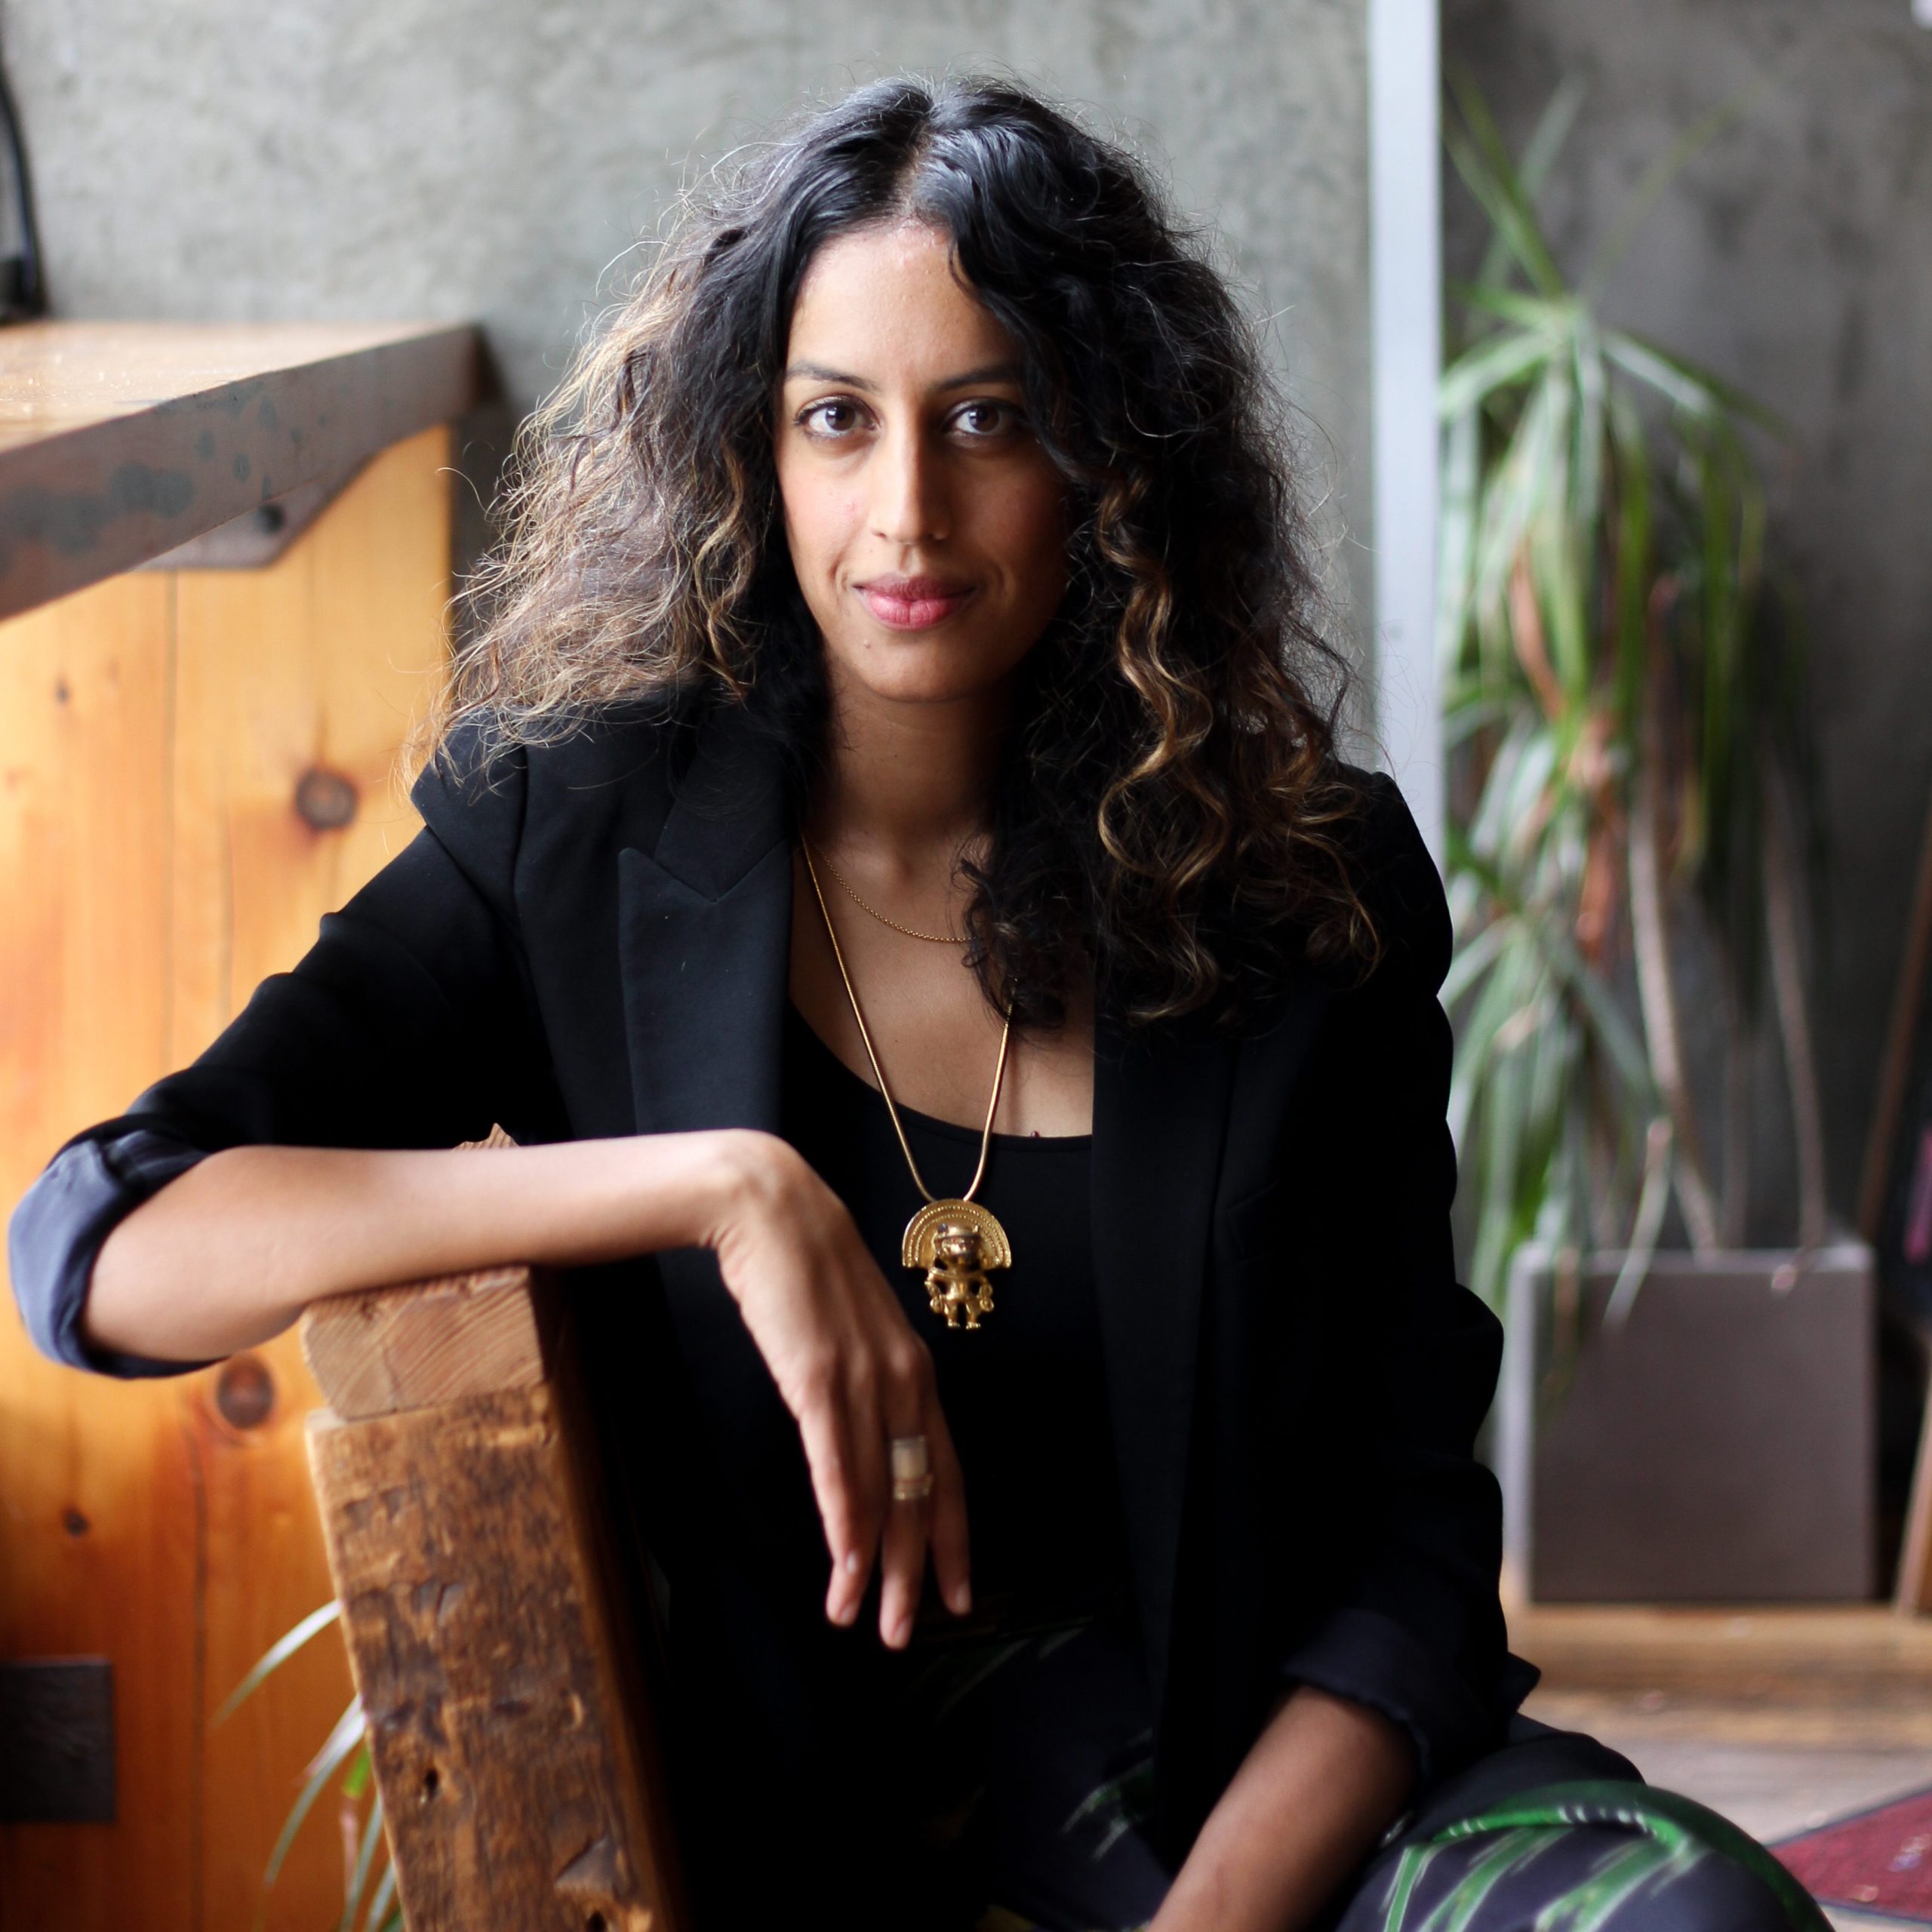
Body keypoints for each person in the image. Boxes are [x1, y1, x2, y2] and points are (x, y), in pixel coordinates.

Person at [9, 76, 1820, 1932]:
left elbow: (1413, 1543)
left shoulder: (1303, 883)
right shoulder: (576, 834)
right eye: (834, 421)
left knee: (1701, 1919)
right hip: (853, 1823)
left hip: (1279, 1789)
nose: (905, 511)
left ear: (1108, 461)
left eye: (987, 419)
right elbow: (99, 1246)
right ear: (750, 451)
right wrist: (712, 1184)